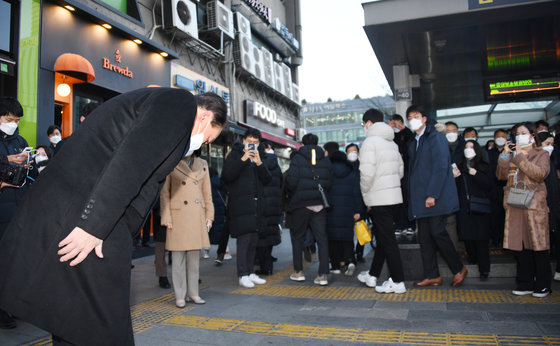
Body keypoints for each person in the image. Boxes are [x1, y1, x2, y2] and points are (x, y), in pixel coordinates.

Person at [0, 88, 227, 345]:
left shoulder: (168, 110)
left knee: (73, 314)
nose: (203, 144)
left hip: (89, 211)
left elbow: (143, 178)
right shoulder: (180, 104)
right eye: (208, 139)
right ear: (206, 117)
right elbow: (131, 162)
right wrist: (92, 227)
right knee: (99, 318)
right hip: (87, 214)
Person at [406, 105, 467, 288]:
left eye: (416, 116)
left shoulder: (436, 138)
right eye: (409, 117)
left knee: (438, 232)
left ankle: (458, 268)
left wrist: (432, 194)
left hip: (433, 196)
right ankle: (432, 275)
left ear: (424, 118)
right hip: (419, 199)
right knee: (424, 237)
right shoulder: (413, 142)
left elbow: (441, 167)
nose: (412, 120)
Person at [497, 122, 551, 298]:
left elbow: (539, 174)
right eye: (516, 133)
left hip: (534, 206)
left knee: (538, 245)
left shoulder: (541, 153)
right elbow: (501, 176)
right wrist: (505, 156)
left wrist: (520, 158)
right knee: (519, 246)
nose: (519, 136)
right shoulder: (512, 154)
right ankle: (525, 282)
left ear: (532, 136)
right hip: (514, 204)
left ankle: (543, 284)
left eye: (523, 132)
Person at [357, 109, 406, 294]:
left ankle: (398, 281)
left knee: (388, 241)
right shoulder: (391, 143)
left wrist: (366, 195)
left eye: (363, 124)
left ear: (369, 123)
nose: (364, 127)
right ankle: (373, 275)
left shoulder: (370, 142)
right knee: (384, 238)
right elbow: (400, 172)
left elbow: (366, 174)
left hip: (378, 199)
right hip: (393, 198)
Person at [160, 153, 214, 307]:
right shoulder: (171, 161)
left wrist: (209, 215)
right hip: (177, 216)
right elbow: (164, 193)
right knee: (178, 260)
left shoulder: (202, 163)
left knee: (194, 260)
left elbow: (207, 193)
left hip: (196, 215)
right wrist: (166, 217)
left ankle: (194, 293)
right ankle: (180, 295)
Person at [221, 128, 271, 288]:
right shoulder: (235, 155)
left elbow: (268, 180)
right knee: (244, 241)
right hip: (241, 206)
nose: (252, 145)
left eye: (255, 143)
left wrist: (259, 163)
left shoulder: (260, 156)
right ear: (243, 141)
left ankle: (250, 272)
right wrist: (243, 159)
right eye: (250, 141)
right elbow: (227, 177)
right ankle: (242, 274)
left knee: (254, 241)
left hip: (257, 206)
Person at [0, 97, 31, 329]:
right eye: (9, 119)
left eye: (17, 120)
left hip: (19, 208)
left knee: (15, 259)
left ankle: (11, 304)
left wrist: (26, 166)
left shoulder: (20, 140)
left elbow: (29, 177)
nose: (13, 123)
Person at [285, 133, 332, 285]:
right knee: (322, 239)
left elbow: (291, 181)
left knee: (297, 238)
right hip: (319, 204)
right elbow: (330, 182)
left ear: (303, 144)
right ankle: (323, 275)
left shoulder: (297, 158)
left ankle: (298, 272)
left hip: (301, 204)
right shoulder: (325, 159)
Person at [453, 140, 492, 279]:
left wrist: (476, 174)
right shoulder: (460, 166)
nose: (468, 149)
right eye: (466, 147)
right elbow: (457, 188)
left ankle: (484, 270)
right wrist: (456, 177)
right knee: (467, 236)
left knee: (481, 239)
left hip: (480, 206)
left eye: (471, 147)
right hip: (464, 206)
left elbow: (489, 185)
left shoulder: (484, 166)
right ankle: (472, 258)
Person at [323, 141, 361, 277]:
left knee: (332, 239)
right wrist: (357, 210)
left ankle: (335, 266)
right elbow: (356, 193)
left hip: (331, 210)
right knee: (347, 237)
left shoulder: (327, 172)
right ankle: (351, 261)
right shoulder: (351, 172)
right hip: (348, 210)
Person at [255, 141, 283, 276]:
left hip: (261, 203)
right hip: (274, 204)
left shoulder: (258, 164)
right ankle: (268, 264)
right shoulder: (276, 164)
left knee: (261, 237)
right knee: (270, 233)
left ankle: (265, 266)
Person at [537, 131, 560, 281]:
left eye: (552, 145)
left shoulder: (554, 160)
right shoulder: (535, 162)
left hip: (555, 205)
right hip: (543, 206)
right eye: (546, 144)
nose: (550, 148)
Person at [390, 114, 415, 236]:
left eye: (397, 123)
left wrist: (403, 129)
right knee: (397, 200)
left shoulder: (408, 134)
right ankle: (399, 224)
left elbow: (412, 140)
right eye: (393, 123)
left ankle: (411, 224)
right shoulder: (390, 136)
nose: (395, 126)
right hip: (393, 173)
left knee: (408, 198)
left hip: (407, 171)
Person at [345, 144, 370, 263]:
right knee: (348, 232)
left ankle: (359, 253)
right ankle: (350, 255)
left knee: (361, 229)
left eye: (354, 151)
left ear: (358, 153)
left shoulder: (363, 167)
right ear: (346, 154)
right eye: (349, 151)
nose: (352, 153)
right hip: (348, 204)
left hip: (362, 202)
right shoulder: (344, 168)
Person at [487, 129, 509, 246]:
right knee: (495, 215)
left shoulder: (512, 152)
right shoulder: (489, 153)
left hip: (508, 189)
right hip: (494, 189)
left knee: (507, 216)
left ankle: (506, 240)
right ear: (494, 138)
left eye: (503, 136)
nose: (500, 138)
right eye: (498, 136)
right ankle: (496, 238)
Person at [208, 166, 226, 257]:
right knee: (222, 230)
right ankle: (225, 251)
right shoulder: (220, 181)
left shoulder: (208, 183)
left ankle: (206, 252)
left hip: (212, 208)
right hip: (221, 207)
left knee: (209, 229)